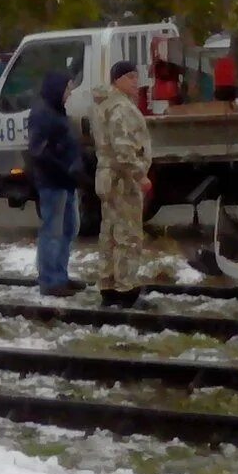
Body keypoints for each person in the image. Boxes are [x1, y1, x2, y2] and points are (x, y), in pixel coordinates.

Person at [95, 59, 154, 307]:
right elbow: (123, 149)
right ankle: (125, 289)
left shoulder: (107, 105)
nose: (135, 82)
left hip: (109, 176)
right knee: (127, 234)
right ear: (117, 80)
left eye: (136, 76)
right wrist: (140, 174)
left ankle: (108, 283)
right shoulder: (120, 108)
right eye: (130, 77)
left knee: (109, 232)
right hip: (122, 178)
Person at [25, 68, 85, 296]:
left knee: (69, 228)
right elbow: (38, 151)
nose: (70, 92)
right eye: (68, 87)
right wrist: (65, 168)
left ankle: (60, 274)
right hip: (53, 182)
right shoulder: (43, 114)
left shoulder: (57, 112)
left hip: (66, 181)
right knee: (53, 230)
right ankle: (50, 280)